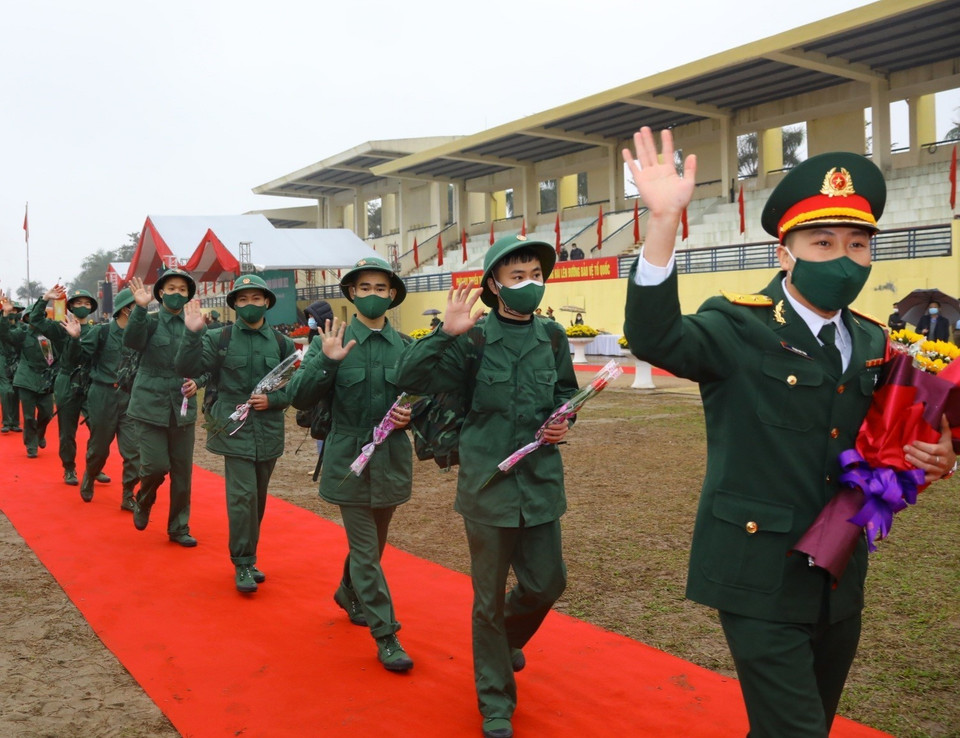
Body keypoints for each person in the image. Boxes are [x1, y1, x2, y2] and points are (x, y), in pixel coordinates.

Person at [621, 127, 957, 738]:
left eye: (858, 244)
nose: (843, 258)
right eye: (822, 242)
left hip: (838, 573)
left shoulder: (875, 340)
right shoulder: (738, 325)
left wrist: (938, 452)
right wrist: (664, 222)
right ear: (785, 253)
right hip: (758, 572)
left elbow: (894, 436)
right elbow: (657, 338)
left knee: (807, 726)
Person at [395, 235, 578, 738]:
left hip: (540, 482)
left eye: (535, 275)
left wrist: (565, 419)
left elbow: (565, 392)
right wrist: (444, 334)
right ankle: (496, 700)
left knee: (548, 583)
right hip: (487, 483)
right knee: (488, 599)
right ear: (494, 285)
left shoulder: (552, 336)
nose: (529, 284)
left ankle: (504, 641)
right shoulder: (471, 338)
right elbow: (407, 376)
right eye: (517, 276)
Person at [287, 257, 416, 671]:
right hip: (348, 460)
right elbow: (298, 395)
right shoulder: (330, 340)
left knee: (372, 547)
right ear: (351, 294)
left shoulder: (407, 347)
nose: (373, 295)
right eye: (364, 288)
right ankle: (386, 634)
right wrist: (327, 361)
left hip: (391, 459)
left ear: (392, 294)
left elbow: (426, 398)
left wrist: (412, 414)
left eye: (380, 288)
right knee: (365, 550)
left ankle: (347, 590)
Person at [175, 274, 295, 592]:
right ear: (234, 305)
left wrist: (274, 400)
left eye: (255, 298)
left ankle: (250, 558)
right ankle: (242, 563)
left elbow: (294, 386)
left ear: (267, 302)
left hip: (268, 430)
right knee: (242, 497)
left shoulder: (282, 344)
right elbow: (187, 366)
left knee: (257, 499)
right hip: (234, 428)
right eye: (242, 299)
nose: (249, 304)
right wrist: (191, 334)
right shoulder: (220, 338)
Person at [124, 269, 204, 547]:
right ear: (160, 293)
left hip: (182, 408)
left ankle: (179, 527)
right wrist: (139, 308)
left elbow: (207, 364)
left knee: (182, 473)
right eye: (171, 288)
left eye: (182, 289)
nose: (176, 293)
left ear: (189, 295)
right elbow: (132, 341)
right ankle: (144, 500)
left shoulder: (196, 324)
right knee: (155, 467)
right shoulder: (150, 321)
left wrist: (198, 381)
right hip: (149, 404)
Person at [73, 288, 141, 508]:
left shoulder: (140, 335)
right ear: (125, 309)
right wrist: (75, 339)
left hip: (129, 397)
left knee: (134, 452)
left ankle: (128, 494)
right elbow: (78, 357)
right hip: (103, 395)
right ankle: (90, 475)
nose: (140, 310)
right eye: (136, 306)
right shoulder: (101, 332)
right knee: (99, 449)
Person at [30, 286, 102, 486]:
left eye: (86, 303)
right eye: (78, 303)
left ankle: (95, 466)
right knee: (67, 431)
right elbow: (35, 320)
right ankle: (69, 468)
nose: (82, 306)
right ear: (70, 307)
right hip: (67, 381)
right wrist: (45, 298)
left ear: (92, 307)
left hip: (90, 381)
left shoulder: (97, 330)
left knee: (98, 427)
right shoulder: (60, 328)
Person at [0, 289, 61, 459]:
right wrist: (5, 315)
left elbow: (55, 358)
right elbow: (5, 334)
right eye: (30, 317)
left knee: (47, 413)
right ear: (26, 319)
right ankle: (31, 445)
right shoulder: (22, 334)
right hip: (26, 379)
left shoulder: (49, 336)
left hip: (45, 380)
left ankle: (40, 434)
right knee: (28, 417)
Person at [0, 299, 24, 433]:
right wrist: (4, 315)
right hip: (3, 359)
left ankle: (14, 422)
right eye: (10, 310)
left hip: (17, 360)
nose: (12, 312)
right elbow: (3, 330)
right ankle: (6, 422)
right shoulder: (2, 324)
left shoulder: (22, 327)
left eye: (15, 310)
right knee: (6, 390)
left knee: (15, 391)